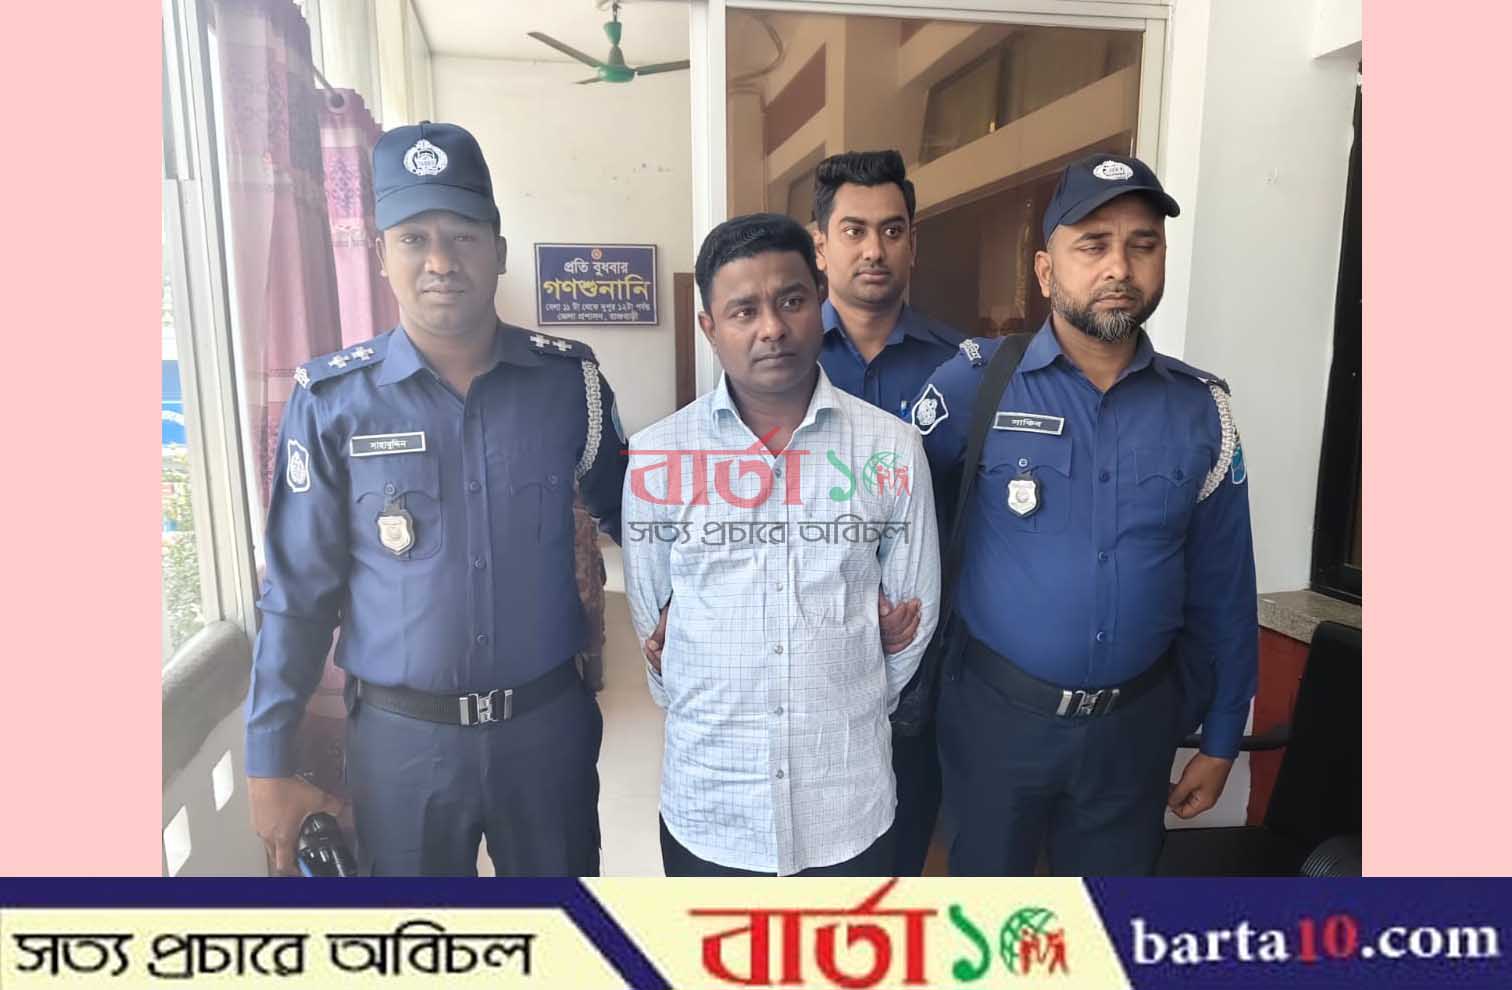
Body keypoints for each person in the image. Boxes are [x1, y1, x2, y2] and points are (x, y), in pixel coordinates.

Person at [244, 121, 627, 877]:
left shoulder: (569, 383)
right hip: (401, 748)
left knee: (560, 932)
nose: (441, 261)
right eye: (414, 238)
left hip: (546, 734)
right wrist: (267, 758)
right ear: (380, 254)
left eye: (464, 236)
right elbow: (297, 594)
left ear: (500, 250)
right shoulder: (332, 401)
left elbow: (639, 522)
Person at [915, 153, 1258, 876]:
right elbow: (895, 528)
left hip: (1133, 734)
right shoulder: (975, 385)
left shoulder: (1202, 411)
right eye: (1093, 245)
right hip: (995, 723)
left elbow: (1226, 587)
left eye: (1142, 245)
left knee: (1107, 924)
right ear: (1046, 272)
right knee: (988, 921)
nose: (1120, 267)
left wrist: (1223, 735)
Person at [623, 213, 941, 876]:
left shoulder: (890, 448)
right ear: (710, 327)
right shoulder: (657, 456)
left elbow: (914, 619)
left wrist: (846, 692)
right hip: (712, 808)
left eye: (791, 301)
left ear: (820, 300)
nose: (771, 328)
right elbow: (656, 629)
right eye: (743, 311)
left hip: (847, 806)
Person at [811, 149, 965, 876]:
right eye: (854, 230)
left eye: (892, 230)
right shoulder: (779, 361)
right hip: (812, 655)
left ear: (912, 243)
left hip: (926, 665)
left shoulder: (960, 370)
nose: (875, 249)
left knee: (902, 849)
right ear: (820, 244)